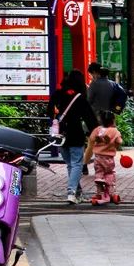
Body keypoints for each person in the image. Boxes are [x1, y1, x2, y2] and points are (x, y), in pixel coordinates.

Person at [48, 69, 97, 204]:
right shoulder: (80, 97)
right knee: (76, 164)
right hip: (75, 133)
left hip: (59, 134)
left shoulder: (57, 94)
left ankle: (77, 192)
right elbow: (90, 119)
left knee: (70, 165)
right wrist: (96, 133)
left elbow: (49, 112)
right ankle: (71, 192)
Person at [84, 109, 123, 206]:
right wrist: (114, 145)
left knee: (99, 173)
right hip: (109, 158)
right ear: (113, 120)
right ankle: (111, 192)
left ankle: (99, 192)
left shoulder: (97, 130)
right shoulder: (115, 131)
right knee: (109, 173)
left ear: (101, 120)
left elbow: (91, 139)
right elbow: (119, 142)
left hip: (98, 158)